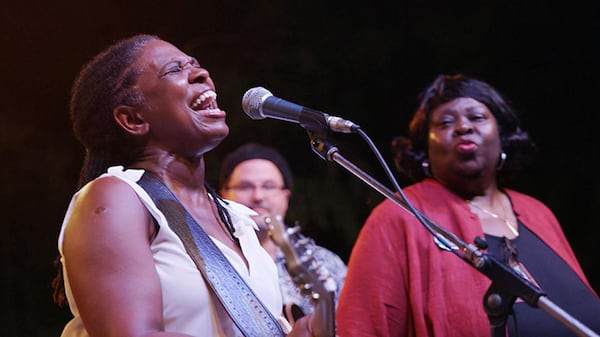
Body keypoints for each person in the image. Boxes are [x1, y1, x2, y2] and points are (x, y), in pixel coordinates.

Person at [52, 34, 316, 337]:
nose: (202, 74)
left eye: (195, 65)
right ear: (132, 119)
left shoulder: (236, 219)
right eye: (174, 70)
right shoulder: (117, 198)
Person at [335, 74, 600, 336]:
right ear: (425, 148)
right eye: (445, 123)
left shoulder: (538, 213)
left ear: (502, 136)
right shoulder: (401, 216)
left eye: (477, 117)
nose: (463, 127)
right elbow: (361, 327)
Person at [218, 142, 347, 325]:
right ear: (223, 194)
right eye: (245, 186)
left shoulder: (325, 263)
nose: (258, 196)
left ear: (285, 197)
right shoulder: (211, 258)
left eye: (269, 186)